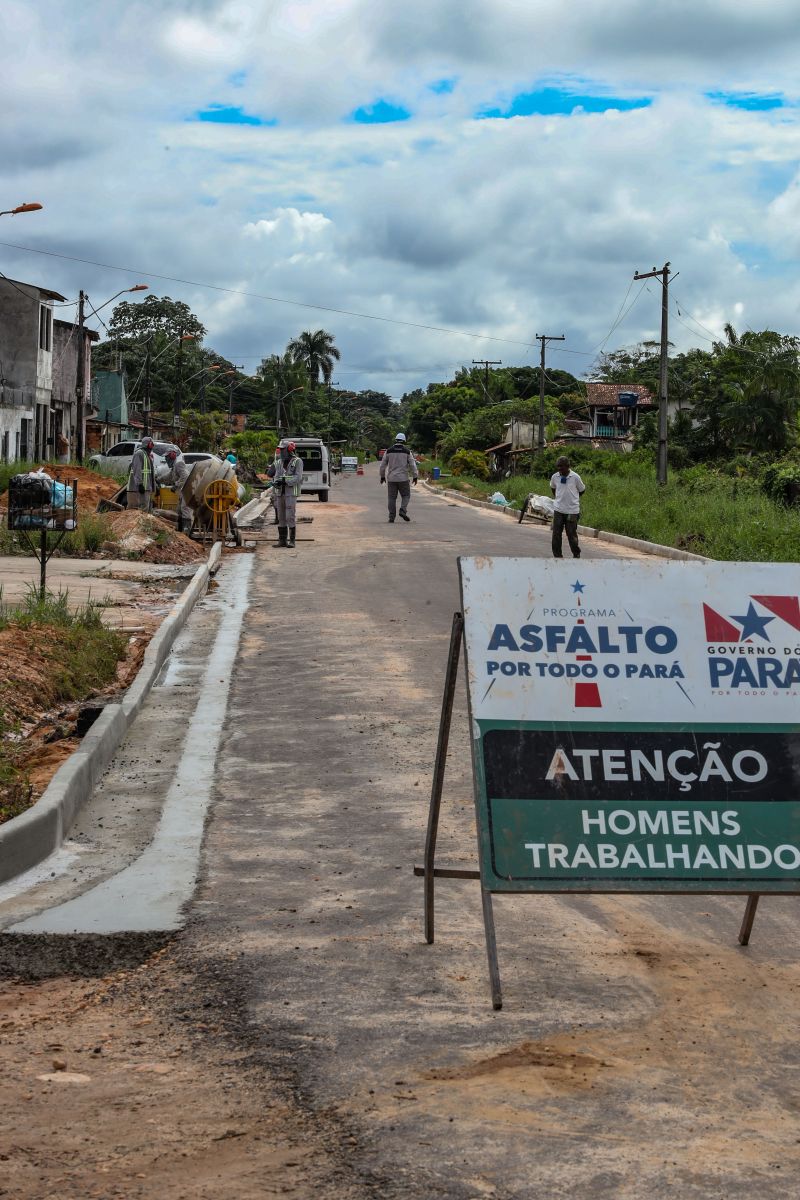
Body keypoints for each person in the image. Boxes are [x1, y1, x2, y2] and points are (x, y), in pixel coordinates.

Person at [267, 440, 304, 546]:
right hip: (279, 493)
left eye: (283, 450)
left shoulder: (297, 461)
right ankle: (282, 541)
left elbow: (298, 477)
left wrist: (284, 481)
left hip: (291, 493)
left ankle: (292, 541)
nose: (281, 452)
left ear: (289, 450)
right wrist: (273, 468)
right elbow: (271, 474)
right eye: (280, 450)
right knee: (281, 517)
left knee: (290, 516)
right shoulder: (279, 462)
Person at [550, 455, 585, 559]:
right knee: (556, 534)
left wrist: (572, 499)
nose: (560, 469)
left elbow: (582, 490)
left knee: (571, 534)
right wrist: (559, 498)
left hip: (572, 511)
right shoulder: (555, 477)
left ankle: (576, 553)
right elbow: (553, 488)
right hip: (558, 510)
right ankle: (557, 556)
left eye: (562, 466)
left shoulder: (575, 477)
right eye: (558, 466)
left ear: (568, 466)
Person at [379, 432, 418, 523]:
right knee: (406, 495)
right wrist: (415, 476)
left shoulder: (388, 451)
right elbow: (413, 465)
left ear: (396, 440)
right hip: (403, 478)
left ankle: (391, 517)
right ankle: (403, 510)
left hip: (391, 479)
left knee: (391, 498)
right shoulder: (407, 451)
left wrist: (382, 477)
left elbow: (382, 466)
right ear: (404, 441)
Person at [163, 449, 193, 533]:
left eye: (167, 457)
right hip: (182, 490)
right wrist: (158, 479)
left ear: (172, 456)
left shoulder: (178, 463)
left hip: (187, 490)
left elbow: (185, 476)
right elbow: (168, 476)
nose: (166, 459)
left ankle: (187, 531)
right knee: (179, 510)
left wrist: (176, 485)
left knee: (185, 509)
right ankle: (181, 531)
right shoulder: (174, 466)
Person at [127, 436, 156, 512]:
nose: (152, 446)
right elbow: (137, 469)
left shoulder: (147, 455)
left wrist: (154, 486)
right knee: (142, 510)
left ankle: (145, 524)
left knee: (146, 509)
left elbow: (150, 473)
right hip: (141, 487)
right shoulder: (139, 453)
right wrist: (140, 484)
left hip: (147, 487)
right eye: (151, 444)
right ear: (148, 444)